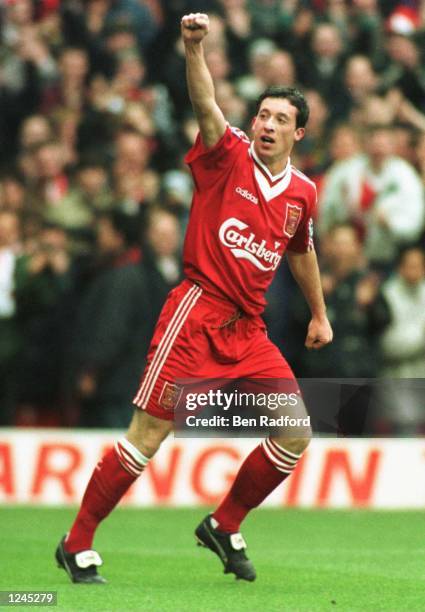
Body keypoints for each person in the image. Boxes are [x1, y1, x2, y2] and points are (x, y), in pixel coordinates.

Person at [55, 12, 332, 585]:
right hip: (196, 312)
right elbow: (206, 105)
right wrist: (194, 49)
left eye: (282, 119)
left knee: (295, 430)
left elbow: (300, 251)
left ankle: (224, 524)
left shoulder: (302, 193)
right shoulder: (225, 151)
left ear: (299, 133)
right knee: (148, 438)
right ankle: (76, 543)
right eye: (263, 114)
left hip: (248, 329)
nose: (268, 125)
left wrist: (320, 314)